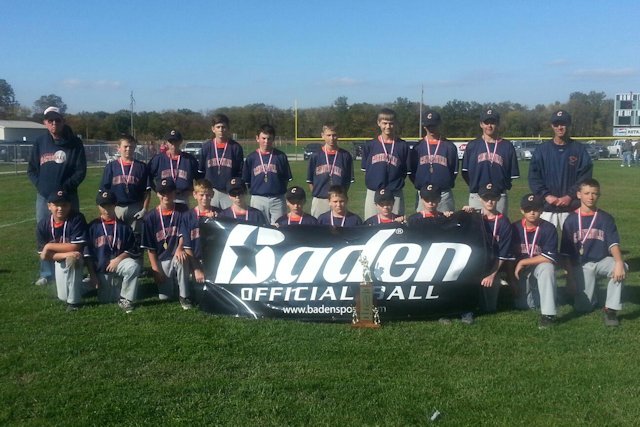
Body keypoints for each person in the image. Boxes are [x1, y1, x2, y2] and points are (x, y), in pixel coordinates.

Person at [28, 106, 87, 286]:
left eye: (57, 120)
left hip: (68, 196)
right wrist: (42, 187)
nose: (54, 123)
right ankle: (46, 273)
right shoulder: (40, 142)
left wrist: (65, 188)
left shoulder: (74, 143)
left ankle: (78, 267)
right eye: (50, 120)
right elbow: (32, 169)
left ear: (63, 121)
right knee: (45, 231)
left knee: (73, 231)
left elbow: (80, 171)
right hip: (45, 197)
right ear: (45, 122)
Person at [560, 179, 626, 326]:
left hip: (602, 261)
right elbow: (566, 254)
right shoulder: (570, 220)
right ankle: (590, 297)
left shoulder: (605, 218)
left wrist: (619, 262)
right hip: (581, 265)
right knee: (584, 307)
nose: (590, 197)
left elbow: (613, 244)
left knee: (621, 267)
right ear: (579, 195)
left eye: (594, 193)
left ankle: (611, 309)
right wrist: (570, 279)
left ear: (599, 195)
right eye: (587, 193)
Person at [528, 110, 593, 231]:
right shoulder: (542, 150)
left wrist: (569, 196)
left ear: (569, 125)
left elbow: (585, 177)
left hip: (571, 206)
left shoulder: (579, 150)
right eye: (556, 124)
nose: (560, 127)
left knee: (574, 245)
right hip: (546, 206)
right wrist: (546, 195)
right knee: (544, 244)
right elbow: (534, 177)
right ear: (552, 126)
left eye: (563, 124)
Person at [85, 190, 141, 313]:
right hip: (100, 271)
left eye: (109, 205)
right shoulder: (92, 227)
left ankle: (126, 299)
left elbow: (133, 248)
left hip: (118, 266)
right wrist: (93, 276)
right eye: (103, 206)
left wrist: (118, 259)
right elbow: (87, 254)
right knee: (105, 300)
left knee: (133, 266)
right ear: (98, 206)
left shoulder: (123, 227)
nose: (106, 209)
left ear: (115, 205)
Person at [141, 178, 193, 309]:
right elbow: (150, 248)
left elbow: (185, 233)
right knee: (166, 297)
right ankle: (175, 283)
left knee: (182, 259)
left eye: (169, 192)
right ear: (157, 194)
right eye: (162, 193)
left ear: (175, 193)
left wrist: (180, 248)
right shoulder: (150, 217)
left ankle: (184, 296)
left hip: (176, 255)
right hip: (161, 259)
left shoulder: (182, 210)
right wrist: (155, 270)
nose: (166, 196)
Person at [462, 184, 514, 313]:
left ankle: (498, 286)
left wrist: (492, 274)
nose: (490, 201)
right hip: (476, 264)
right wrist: (464, 213)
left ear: (498, 199)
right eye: (486, 198)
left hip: (493, 265)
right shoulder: (474, 217)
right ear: (480, 199)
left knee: (489, 308)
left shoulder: (504, 222)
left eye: (493, 198)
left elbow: (503, 254)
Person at [511, 193, 559, 329]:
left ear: (542, 210)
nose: (532, 212)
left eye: (536, 209)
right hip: (520, 273)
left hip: (538, 268)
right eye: (527, 209)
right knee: (524, 305)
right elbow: (508, 256)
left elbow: (549, 257)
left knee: (547, 267)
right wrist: (511, 278)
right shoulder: (514, 228)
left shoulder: (548, 228)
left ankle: (548, 314)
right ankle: (541, 295)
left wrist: (523, 262)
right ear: (521, 210)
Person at [36, 189, 88, 311]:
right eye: (56, 205)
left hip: (78, 258)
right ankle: (87, 285)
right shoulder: (43, 224)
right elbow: (43, 256)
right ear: (49, 206)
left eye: (64, 205)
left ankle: (74, 303)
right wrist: (65, 254)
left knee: (74, 259)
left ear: (70, 205)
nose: (60, 208)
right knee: (63, 296)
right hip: (58, 260)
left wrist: (48, 246)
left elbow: (76, 247)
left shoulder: (77, 219)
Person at [461, 108, 519, 214]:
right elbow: (465, 172)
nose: (489, 126)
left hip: (498, 196)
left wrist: (500, 187)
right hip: (477, 195)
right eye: (486, 122)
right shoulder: (472, 146)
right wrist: (476, 186)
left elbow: (511, 175)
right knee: (477, 228)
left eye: (493, 122)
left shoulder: (507, 146)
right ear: (481, 124)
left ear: (498, 124)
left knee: (498, 228)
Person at [361, 108, 411, 219]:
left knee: (397, 226)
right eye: (384, 123)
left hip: (395, 193)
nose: (388, 127)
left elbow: (405, 172)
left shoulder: (402, 146)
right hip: (373, 192)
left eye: (391, 123)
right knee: (371, 226)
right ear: (378, 123)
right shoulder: (370, 145)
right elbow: (366, 171)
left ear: (395, 124)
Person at [99, 134, 150, 236]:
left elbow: (147, 191)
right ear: (119, 148)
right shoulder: (111, 167)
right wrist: (104, 211)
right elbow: (103, 191)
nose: (128, 149)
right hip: (116, 207)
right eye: (125, 146)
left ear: (135, 148)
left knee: (136, 238)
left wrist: (144, 209)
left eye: (131, 147)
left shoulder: (141, 167)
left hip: (135, 207)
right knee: (117, 236)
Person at [408, 111, 458, 212]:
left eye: (434, 125)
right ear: (424, 126)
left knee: (446, 225)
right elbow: (412, 172)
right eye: (428, 125)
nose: (431, 128)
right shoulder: (417, 148)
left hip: (443, 195)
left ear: (439, 124)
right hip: (423, 195)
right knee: (422, 226)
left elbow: (453, 172)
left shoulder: (449, 147)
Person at [242, 124, 292, 224]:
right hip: (258, 198)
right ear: (257, 138)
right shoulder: (251, 157)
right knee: (259, 228)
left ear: (273, 139)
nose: (266, 141)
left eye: (269, 138)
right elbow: (247, 181)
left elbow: (285, 179)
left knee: (279, 228)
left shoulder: (280, 156)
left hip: (277, 199)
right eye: (263, 138)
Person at [306, 123, 354, 217]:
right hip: (320, 200)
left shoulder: (345, 155)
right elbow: (310, 180)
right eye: (328, 135)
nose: (332, 138)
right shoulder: (316, 155)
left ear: (338, 135)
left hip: (338, 201)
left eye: (334, 135)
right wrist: (318, 194)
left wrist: (339, 195)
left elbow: (348, 181)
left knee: (339, 228)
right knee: (318, 229)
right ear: (322, 135)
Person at [198, 114, 244, 210]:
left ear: (228, 128)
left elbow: (240, 172)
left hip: (229, 192)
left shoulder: (235, 147)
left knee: (230, 221)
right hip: (210, 192)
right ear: (213, 129)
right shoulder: (206, 147)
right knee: (210, 219)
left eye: (223, 127)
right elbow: (201, 171)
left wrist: (234, 190)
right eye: (218, 127)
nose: (221, 129)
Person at [147, 129, 200, 210]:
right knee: (166, 220)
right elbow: (148, 176)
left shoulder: (189, 159)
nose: (173, 144)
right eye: (171, 141)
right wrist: (157, 191)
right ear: (167, 143)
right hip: (165, 197)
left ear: (180, 142)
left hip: (183, 197)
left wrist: (194, 191)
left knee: (183, 220)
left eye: (176, 141)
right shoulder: (158, 159)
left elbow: (199, 179)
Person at [183, 179, 218, 295]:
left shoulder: (220, 214)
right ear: (195, 195)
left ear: (212, 194)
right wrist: (196, 269)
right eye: (201, 195)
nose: (204, 198)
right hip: (196, 261)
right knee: (199, 294)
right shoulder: (187, 217)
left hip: (215, 262)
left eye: (208, 195)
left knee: (215, 294)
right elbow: (187, 247)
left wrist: (216, 221)